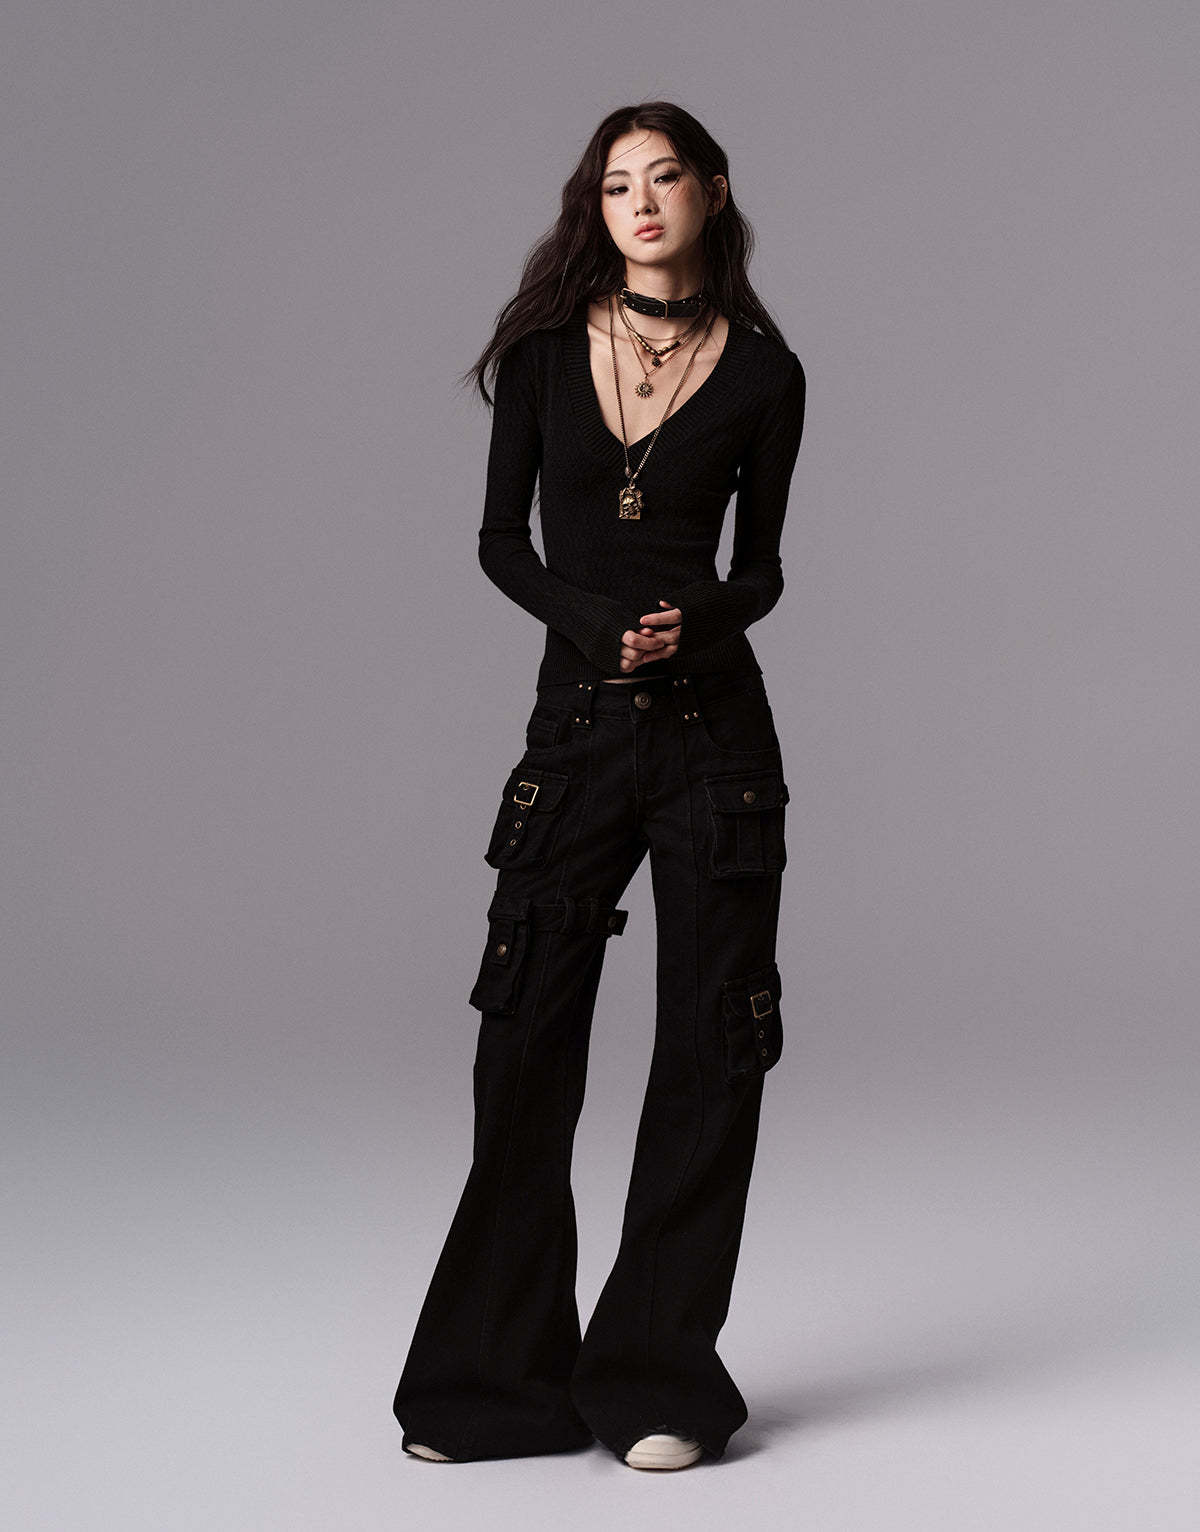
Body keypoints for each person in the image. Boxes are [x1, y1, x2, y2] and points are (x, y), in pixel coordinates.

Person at [393, 99, 806, 1472]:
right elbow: (499, 542)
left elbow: (763, 568)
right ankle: (496, 1382)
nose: (639, 201)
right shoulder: (540, 357)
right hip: (576, 730)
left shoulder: (766, 372)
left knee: (713, 1044)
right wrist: (589, 623)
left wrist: (703, 620)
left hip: (715, 743)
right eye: (616, 182)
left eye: (664, 176)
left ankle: (657, 1379)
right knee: (523, 1038)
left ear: (712, 191)